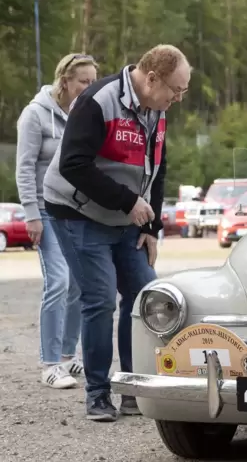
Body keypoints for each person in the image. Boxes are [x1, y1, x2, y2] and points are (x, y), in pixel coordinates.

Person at [42, 44, 191, 422]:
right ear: (152, 78)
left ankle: (131, 387)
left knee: (145, 296)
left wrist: (152, 227)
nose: (178, 98)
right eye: (176, 89)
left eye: (183, 91)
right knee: (100, 300)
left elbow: (157, 167)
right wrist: (128, 202)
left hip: (126, 217)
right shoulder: (98, 101)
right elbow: (73, 165)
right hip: (77, 213)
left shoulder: (157, 110)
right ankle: (97, 393)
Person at [15, 53, 99, 389]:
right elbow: (24, 167)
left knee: (79, 283)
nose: (89, 87)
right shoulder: (34, 115)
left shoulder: (83, 115)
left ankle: (67, 357)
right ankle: (49, 363)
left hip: (75, 211)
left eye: (93, 82)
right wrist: (31, 215)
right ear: (65, 81)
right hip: (45, 211)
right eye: (84, 81)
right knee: (59, 281)